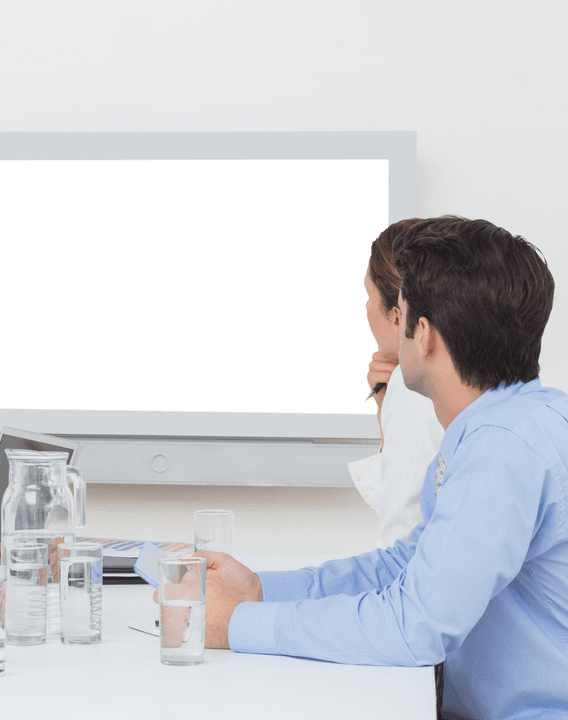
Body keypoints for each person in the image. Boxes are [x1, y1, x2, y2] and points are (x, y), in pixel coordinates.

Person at [191, 216, 568, 719]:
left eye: (402, 310)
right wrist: (260, 591)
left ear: (423, 335)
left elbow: (415, 623)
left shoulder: (502, 449)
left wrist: (236, 624)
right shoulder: (518, 423)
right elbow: (408, 567)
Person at [349, 220, 444, 547]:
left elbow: (401, 540)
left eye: (368, 295)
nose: (365, 308)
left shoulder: (412, 389)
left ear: (397, 314)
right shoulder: (458, 374)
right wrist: (385, 412)